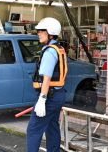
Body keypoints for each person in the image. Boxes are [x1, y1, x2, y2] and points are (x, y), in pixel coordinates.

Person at [26, 17, 68, 152]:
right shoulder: (59, 48)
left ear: (50, 32)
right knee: (52, 127)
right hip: (58, 94)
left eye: (41, 30)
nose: (38, 33)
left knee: (33, 129)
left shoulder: (49, 52)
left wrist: (42, 99)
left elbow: (47, 78)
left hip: (49, 96)